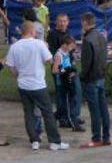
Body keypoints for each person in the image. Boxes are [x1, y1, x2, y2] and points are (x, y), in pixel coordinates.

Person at [5, 20, 70, 151]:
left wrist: (18, 76)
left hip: (23, 84)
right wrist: (46, 48)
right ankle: (54, 141)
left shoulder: (14, 47)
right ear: (31, 31)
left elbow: (11, 66)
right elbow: (50, 60)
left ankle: (34, 140)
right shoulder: (39, 44)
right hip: (38, 84)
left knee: (29, 113)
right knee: (47, 113)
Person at [79, 12, 110, 148]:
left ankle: (96, 137)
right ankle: (106, 136)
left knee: (95, 110)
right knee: (103, 108)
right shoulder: (101, 37)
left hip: (91, 78)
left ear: (85, 23)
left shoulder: (87, 40)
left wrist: (82, 76)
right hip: (101, 75)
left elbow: (86, 63)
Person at [47, 14, 82, 130]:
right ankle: (62, 117)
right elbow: (53, 54)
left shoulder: (68, 33)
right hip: (61, 69)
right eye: (60, 21)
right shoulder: (53, 35)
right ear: (56, 22)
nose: (62, 23)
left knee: (75, 91)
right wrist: (61, 68)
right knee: (62, 94)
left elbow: (71, 50)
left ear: (68, 22)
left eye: (64, 21)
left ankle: (73, 115)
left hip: (69, 67)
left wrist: (72, 60)